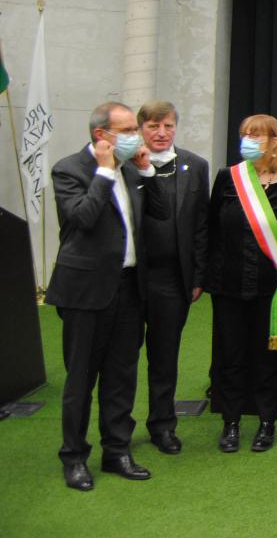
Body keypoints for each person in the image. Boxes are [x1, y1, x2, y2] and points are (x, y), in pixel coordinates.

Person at [46, 102, 166, 490]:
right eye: (128, 130)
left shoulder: (132, 168)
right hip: (85, 291)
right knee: (81, 379)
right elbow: (82, 218)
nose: (137, 135)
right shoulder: (70, 169)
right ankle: (74, 457)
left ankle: (117, 451)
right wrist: (103, 171)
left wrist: (146, 169)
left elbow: (162, 212)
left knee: (121, 376)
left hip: (129, 287)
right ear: (101, 135)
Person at [206, 115, 277, 454]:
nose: (247, 139)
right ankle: (231, 423)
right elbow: (211, 229)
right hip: (228, 285)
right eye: (244, 134)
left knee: (269, 359)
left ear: (275, 141)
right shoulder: (227, 177)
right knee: (230, 356)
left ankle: (267, 423)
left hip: (273, 289)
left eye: (256, 134)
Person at [135, 100, 210, 456]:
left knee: (164, 358)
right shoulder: (125, 164)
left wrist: (198, 275)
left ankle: (162, 426)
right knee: (122, 359)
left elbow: (202, 225)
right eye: (153, 126)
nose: (162, 133)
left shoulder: (195, 165)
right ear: (141, 130)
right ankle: (117, 430)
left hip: (173, 279)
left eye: (168, 125)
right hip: (130, 278)